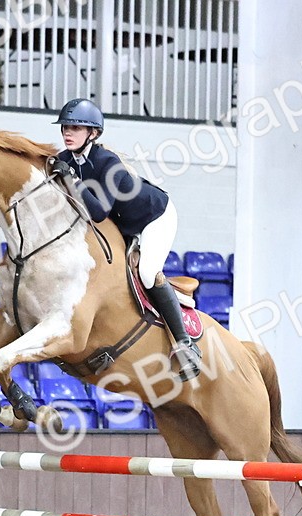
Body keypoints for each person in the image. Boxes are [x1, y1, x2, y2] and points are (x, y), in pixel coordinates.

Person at [48, 98, 201, 382]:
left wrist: (73, 181)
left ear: (93, 133)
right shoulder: (66, 160)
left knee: (147, 273)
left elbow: (98, 212)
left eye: (76, 128)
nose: (67, 132)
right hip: (122, 224)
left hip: (154, 217)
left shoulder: (108, 163)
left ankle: (185, 344)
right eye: (65, 127)